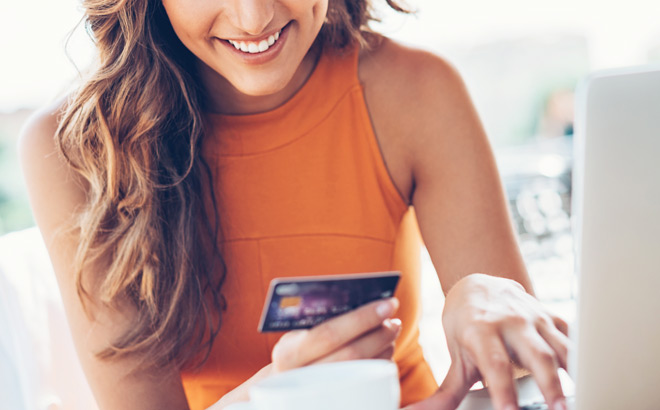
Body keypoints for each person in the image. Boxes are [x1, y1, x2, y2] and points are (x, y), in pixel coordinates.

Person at [19, 0, 570, 409]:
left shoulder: (415, 92)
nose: (253, 16)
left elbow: (523, 375)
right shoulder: (75, 149)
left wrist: (483, 292)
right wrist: (276, 399)